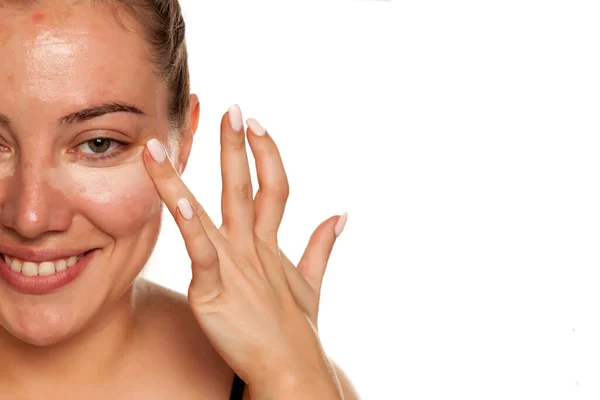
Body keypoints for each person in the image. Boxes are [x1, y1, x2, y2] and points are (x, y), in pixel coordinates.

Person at [0, 0, 360, 399]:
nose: (30, 217)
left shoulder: (283, 379)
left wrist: (293, 382)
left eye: (98, 144)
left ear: (182, 141)